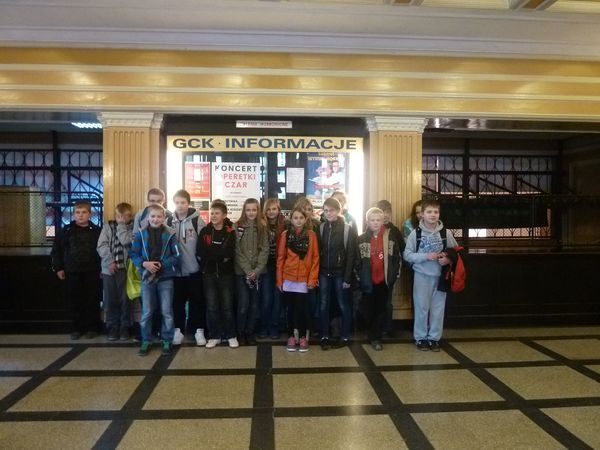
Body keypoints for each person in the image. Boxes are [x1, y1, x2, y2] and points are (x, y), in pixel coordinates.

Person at [403, 199, 457, 352]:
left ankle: (434, 338)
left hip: (440, 277)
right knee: (421, 307)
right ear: (422, 214)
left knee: (438, 309)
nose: (433, 215)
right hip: (421, 276)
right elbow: (407, 255)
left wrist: (448, 259)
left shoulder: (445, 233)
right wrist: (426, 256)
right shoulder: (416, 233)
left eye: (436, 212)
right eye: (429, 212)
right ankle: (420, 337)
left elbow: (456, 251)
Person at [129, 203, 180, 356]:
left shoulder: (170, 234)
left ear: (164, 218)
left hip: (165, 277)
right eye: (152, 216)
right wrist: (144, 264)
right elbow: (133, 254)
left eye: (159, 216)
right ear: (147, 218)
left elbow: (177, 256)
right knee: (147, 311)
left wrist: (162, 264)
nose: (155, 219)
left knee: (167, 311)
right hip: (147, 276)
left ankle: (167, 339)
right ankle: (146, 340)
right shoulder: (140, 234)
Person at [51, 200, 102, 340]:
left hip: (92, 270)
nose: (80, 215)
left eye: (84, 212)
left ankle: (92, 328)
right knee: (74, 300)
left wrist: (102, 268)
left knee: (92, 299)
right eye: (78, 212)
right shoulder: (66, 231)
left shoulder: (97, 231)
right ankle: (76, 328)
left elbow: (102, 251)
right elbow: (56, 250)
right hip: (72, 271)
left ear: (90, 214)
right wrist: (58, 268)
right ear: (73, 214)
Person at [355, 208, 401, 351]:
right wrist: (359, 277)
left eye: (378, 220)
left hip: (384, 281)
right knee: (367, 308)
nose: (375, 223)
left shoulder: (390, 238)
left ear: (383, 221)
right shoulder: (361, 239)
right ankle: (369, 331)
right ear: (367, 221)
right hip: (367, 281)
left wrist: (393, 276)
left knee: (380, 309)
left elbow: (396, 258)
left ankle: (376, 337)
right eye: (372, 220)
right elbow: (357, 261)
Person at [276, 207, 319, 352]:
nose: (298, 220)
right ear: (291, 219)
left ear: (306, 219)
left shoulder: (311, 235)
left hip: (303, 279)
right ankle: (290, 336)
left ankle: (302, 337)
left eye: (301, 218)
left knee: (302, 309)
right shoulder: (285, 235)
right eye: (295, 218)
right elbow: (280, 258)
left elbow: (315, 258)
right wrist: (279, 280)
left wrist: (312, 279)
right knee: (290, 309)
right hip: (288, 278)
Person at [197, 199, 238, 349]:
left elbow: (229, 254)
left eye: (217, 213)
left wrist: (214, 254)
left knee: (227, 306)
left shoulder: (230, 231)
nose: (213, 216)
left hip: (226, 275)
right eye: (212, 213)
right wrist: (218, 255)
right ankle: (215, 335)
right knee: (212, 306)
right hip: (208, 274)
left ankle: (231, 335)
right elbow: (200, 252)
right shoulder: (205, 231)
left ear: (224, 215)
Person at [168, 189, 207, 346]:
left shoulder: (197, 221)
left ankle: (198, 330)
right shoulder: (169, 221)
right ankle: (178, 330)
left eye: (183, 202)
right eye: (177, 202)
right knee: (177, 303)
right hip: (176, 272)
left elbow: (204, 245)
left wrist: (200, 263)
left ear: (188, 203)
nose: (180, 205)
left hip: (194, 270)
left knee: (197, 302)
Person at [318, 197, 357, 350]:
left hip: (340, 273)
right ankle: (324, 335)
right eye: (326, 210)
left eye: (332, 210)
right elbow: (318, 252)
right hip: (324, 272)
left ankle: (345, 335)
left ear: (339, 211)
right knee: (323, 304)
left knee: (343, 304)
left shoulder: (347, 229)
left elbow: (351, 255)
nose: (328, 213)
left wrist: (347, 277)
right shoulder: (322, 228)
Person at [96, 202, 134, 341]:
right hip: (109, 269)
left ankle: (125, 327)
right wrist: (110, 261)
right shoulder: (108, 227)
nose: (121, 219)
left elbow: (126, 241)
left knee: (125, 300)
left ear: (130, 216)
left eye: (125, 217)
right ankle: (112, 326)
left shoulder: (133, 228)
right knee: (110, 299)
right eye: (119, 216)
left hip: (126, 269)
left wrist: (122, 226)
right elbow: (102, 245)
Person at [234, 198, 269, 345]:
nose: (251, 213)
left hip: (257, 273)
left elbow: (265, 249)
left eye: (254, 210)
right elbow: (237, 250)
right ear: (244, 210)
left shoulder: (262, 227)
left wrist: (257, 270)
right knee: (243, 305)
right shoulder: (237, 226)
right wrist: (248, 270)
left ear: (258, 211)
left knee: (254, 305)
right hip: (242, 273)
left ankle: (250, 332)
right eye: (248, 210)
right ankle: (240, 333)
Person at [259, 198, 288, 339]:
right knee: (266, 298)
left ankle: (274, 327)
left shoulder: (285, 224)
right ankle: (264, 326)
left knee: (278, 298)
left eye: (274, 209)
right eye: (268, 209)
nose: (271, 212)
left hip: (280, 265)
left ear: (278, 210)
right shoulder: (261, 224)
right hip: (265, 265)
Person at [376, 199, 405, 336]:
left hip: (390, 273)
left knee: (387, 302)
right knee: (375, 300)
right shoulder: (372, 229)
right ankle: (376, 327)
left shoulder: (395, 231)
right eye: (382, 212)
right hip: (375, 272)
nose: (386, 215)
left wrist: (396, 271)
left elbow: (402, 251)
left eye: (388, 212)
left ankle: (387, 328)